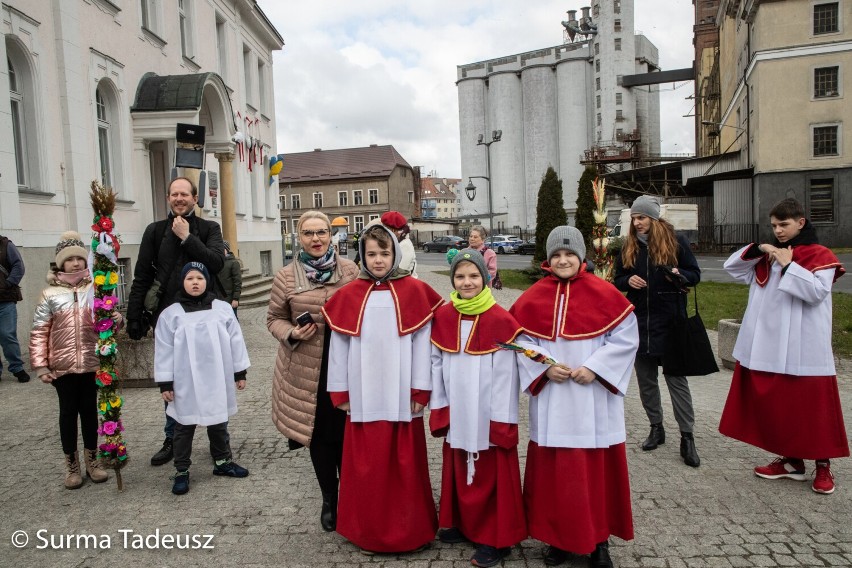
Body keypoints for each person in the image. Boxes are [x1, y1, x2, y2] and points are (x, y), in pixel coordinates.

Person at [511, 226, 638, 568]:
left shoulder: (605, 293)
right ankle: (558, 539)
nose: (563, 260)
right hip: (554, 399)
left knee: (596, 474)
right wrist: (544, 368)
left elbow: (626, 338)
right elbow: (521, 341)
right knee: (556, 475)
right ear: (548, 260)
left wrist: (596, 368)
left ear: (582, 257)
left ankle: (599, 541)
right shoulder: (533, 297)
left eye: (569, 254)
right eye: (556, 255)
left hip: (593, 400)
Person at [322, 224, 442, 554]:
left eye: (384, 253)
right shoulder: (348, 296)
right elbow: (340, 349)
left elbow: (422, 346)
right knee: (367, 468)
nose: (377, 260)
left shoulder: (414, 292)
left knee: (406, 467)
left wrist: (420, 389)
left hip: (402, 395)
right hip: (363, 396)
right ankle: (367, 531)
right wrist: (340, 392)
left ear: (396, 254)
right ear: (362, 255)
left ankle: (410, 531)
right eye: (371, 254)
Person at [719, 198, 848, 495]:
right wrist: (759, 248)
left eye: (784, 225)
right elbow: (733, 268)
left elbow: (816, 293)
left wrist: (790, 266)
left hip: (805, 347)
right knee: (782, 407)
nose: (777, 231)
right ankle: (793, 462)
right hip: (769, 347)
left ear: (801, 222)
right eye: (774, 225)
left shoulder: (820, 255)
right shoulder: (769, 256)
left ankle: (823, 465)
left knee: (812, 408)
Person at [430, 249, 526, 567]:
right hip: (458, 409)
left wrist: (500, 420)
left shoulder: (500, 320)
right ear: (453, 280)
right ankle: (465, 524)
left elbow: (506, 377)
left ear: (485, 279)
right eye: (460, 276)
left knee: (492, 471)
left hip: (487, 413)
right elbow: (436, 363)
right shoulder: (444, 316)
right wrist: (440, 405)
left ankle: (497, 538)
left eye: (474, 276)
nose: (467, 282)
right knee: (459, 464)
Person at [267, 211, 359, 532]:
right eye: (308, 233)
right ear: (299, 237)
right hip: (307, 369)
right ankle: (328, 498)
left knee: (347, 433)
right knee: (319, 435)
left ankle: (350, 495)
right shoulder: (285, 276)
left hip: (346, 366)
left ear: (330, 235)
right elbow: (273, 318)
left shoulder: (350, 271)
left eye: (322, 232)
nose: (316, 239)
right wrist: (291, 332)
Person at [126, 176, 226, 467]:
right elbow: (143, 274)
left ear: (195, 199)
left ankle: (218, 440)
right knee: (173, 379)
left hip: (205, 316)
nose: (179, 198)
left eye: (185, 194)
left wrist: (187, 237)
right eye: (174, 194)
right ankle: (172, 437)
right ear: (168, 198)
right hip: (170, 316)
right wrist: (135, 314)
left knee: (210, 375)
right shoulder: (155, 231)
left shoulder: (209, 228)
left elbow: (216, 262)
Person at [612, 195, 702, 468]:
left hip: (671, 322)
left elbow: (695, 274)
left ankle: (687, 437)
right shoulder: (628, 246)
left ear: (654, 218)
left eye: (642, 217)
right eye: (635, 218)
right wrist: (629, 280)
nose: (638, 223)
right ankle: (656, 427)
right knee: (647, 381)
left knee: (677, 381)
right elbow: (617, 280)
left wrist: (679, 274)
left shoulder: (676, 242)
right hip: (639, 324)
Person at [155, 262, 251, 495]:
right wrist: (165, 383)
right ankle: (181, 470)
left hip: (216, 376)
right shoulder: (171, 314)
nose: (195, 282)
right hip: (184, 380)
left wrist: (239, 372)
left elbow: (235, 340)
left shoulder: (222, 309)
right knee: (183, 425)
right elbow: (163, 349)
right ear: (182, 282)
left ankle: (222, 462)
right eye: (189, 278)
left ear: (207, 281)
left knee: (218, 422)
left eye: (200, 277)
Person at [30, 231, 114, 488]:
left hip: (91, 362)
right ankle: (72, 465)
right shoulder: (50, 294)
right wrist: (41, 364)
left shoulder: (96, 287)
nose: (76, 263)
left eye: (80, 258)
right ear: (60, 263)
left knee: (89, 411)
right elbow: (39, 330)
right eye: (70, 259)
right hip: (62, 367)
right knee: (68, 412)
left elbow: (106, 321)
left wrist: (114, 321)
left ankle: (93, 460)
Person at [0, 233, 30, 382]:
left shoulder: (6, 245)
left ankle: (17, 367)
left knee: (7, 334)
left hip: (5, 299)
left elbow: (18, 266)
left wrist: (8, 283)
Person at [380, 211, 418, 277]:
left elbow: (399, 271)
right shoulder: (396, 242)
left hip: (404, 284)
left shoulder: (404, 245)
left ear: (393, 230)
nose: (383, 232)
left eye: (385, 228)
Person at [218, 241, 242, 317]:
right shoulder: (217, 262)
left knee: (233, 319)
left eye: (222, 248)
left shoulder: (234, 263)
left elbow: (237, 282)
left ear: (227, 250)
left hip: (229, 298)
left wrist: (235, 299)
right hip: (219, 298)